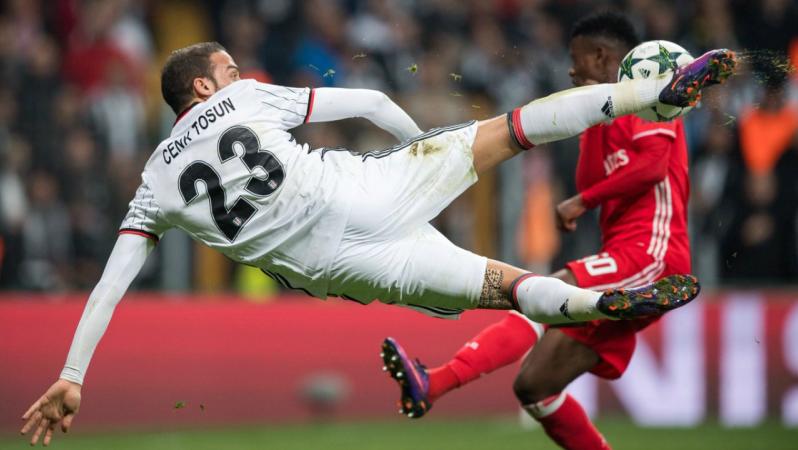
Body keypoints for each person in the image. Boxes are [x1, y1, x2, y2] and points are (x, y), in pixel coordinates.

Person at [19, 37, 734, 446]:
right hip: (368, 189)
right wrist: (424, 150)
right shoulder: (242, 99)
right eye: (230, 67)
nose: (239, 74)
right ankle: (657, 97)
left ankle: (590, 303)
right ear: (205, 87)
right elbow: (368, 101)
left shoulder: (153, 184)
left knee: (501, 288)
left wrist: (75, 374)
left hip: (343, 267)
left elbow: (111, 283)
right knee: (510, 130)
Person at [381, 11, 703, 450]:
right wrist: (591, 125)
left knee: (542, 295)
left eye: (577, 60)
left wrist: (580, 202)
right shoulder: (607, 112)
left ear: (601, 55)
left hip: (653, 251)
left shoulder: (653, 97)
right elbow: (590, 181)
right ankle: (432, 385)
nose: (571, 71)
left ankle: (433, 383)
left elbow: (650, 168)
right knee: (536, 387)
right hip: (626, 254)